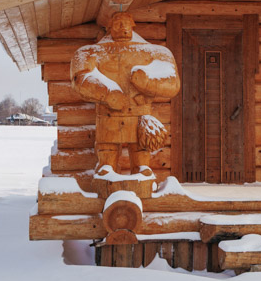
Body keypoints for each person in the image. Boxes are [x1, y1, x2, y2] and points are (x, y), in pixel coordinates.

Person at [70, 12, 181, 176]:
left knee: (140, 150)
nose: (122, 27)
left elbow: (172, 83)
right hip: (108, 115)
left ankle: (142, 168)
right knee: (107, 147)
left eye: (126, 23)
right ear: (110, 26)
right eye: (117, 23)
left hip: (140, 115)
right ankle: (106, 167)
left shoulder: (155, 52)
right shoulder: (90, 52)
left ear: (132, 25)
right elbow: (80, 78)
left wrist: (148, 82)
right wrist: (106, 93)